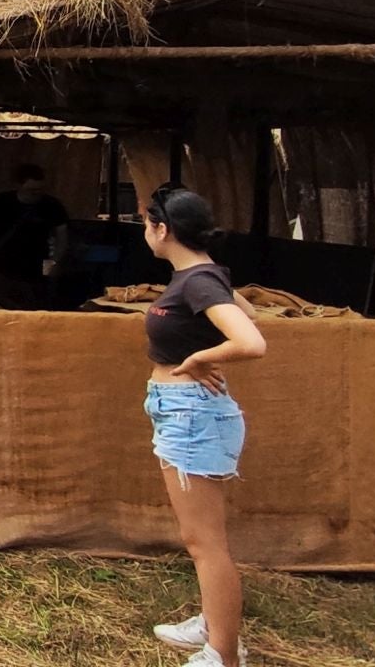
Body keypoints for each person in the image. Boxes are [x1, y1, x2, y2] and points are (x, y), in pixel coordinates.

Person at [141, 185, 266, 667]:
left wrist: (198, 357)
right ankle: (214, 625)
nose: (146, 233)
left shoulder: (197, 280)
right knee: (203, 538)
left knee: (205, 543)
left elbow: (251, 339)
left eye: (148, 225)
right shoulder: (203, 276)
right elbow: (247, 311)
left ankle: (223, 653)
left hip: (192, 412)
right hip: (183, 409)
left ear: (164, 229)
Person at [0, 163, 70, 309]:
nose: (36, 193)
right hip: (2, 266)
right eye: (31, 190)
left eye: (40, 190)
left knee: (32, 307)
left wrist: (53, 263)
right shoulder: (2, 201)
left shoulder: (51, 205)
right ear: (19, 185)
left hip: (34, 269)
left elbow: (62, 238)